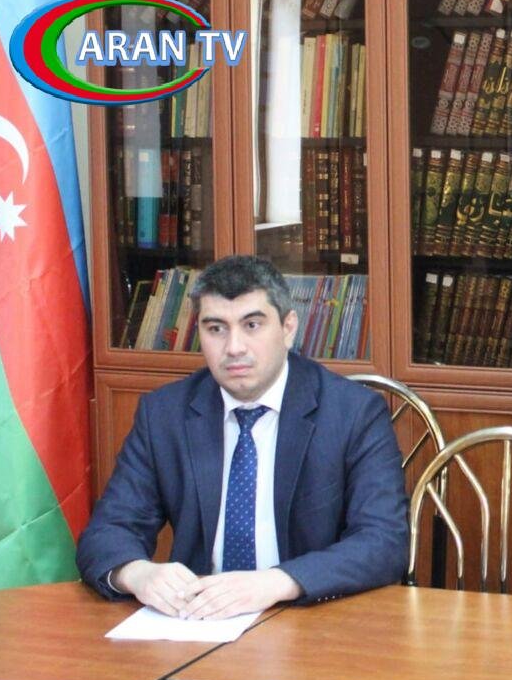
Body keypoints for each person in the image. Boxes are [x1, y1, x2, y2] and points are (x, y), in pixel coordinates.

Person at [77, 255, 409, 619]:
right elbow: (108, 530)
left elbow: (384, 541)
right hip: (199, 621)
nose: (234, 347)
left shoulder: (353, 413)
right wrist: (137, 573)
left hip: (311, 619)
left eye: (252, 325)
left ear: (288, 328)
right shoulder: (164, 414)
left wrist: (277, 582)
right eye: (216, 328)